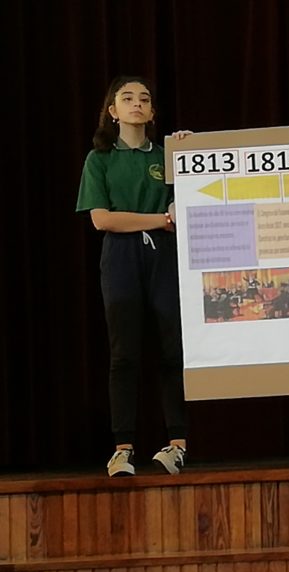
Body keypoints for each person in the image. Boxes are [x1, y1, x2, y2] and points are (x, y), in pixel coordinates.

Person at [76, 76, 191, 476]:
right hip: (121, 256)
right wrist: (160, 219)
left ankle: (177, 444)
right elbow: (102, 219)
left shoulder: (166, 156)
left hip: (164, 256)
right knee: (124, 353)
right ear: (113, 111)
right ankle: (122, 448)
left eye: (144, 98)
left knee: (171, 349)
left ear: (152, 111)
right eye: (127, 98)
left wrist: (190, 151)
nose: (137, 103)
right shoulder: (99, 159)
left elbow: (191, 196)